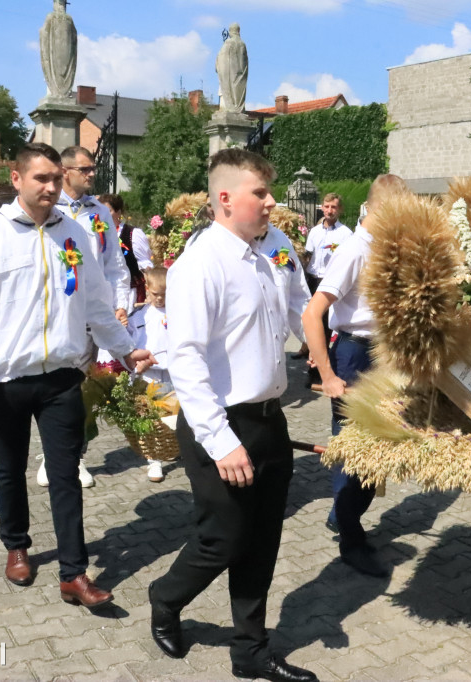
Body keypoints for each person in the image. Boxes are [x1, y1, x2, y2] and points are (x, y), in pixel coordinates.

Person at [0, 142, 155, 610]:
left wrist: (125, 349)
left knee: (65, 475)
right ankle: (16, 545)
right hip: (7, 378)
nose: (52, 187)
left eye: (56, 178)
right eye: (42, 179)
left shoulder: (72, 232)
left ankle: (74, 573)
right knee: (10, 468)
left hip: (61, 377)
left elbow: (96, 303)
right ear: (16, 180)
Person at [148, 148, 317, 682]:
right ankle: (166, 596)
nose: (272, 203)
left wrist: (327, 362)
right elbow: (187, 360)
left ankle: (250, 650)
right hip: (217, 423)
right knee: (223, 537)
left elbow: (301, 310)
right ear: (225, 199)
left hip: (271, 419)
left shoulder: (277, 248)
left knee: (262, 538)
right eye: (260, 194)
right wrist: (221, 442)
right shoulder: (202, 263)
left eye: (270, 192)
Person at [300, 174, 409, 579]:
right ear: (375, 210)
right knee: (356, 451)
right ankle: (350, 538)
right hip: (353, 354)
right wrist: (327, 372)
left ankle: (342, 515)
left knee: (378, 449)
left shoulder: (386, 248)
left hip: (382, 355)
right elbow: (312, 312)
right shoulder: (353, 251)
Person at [36, 146, 133, 489]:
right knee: (51, 388)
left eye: (93, 169)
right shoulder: (47, 208)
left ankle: (75, 456)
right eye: (86, 169)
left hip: (91, 316)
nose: (92, 174)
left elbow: (114, 265)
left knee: (81, 390)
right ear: (65, 171)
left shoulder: (99, 212)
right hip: (55, 314)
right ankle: (50, 454)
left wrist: (120, 304)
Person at [293, 194, 352, 362]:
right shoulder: (314, 232)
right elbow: (308, 256)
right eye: (327, 206)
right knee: (308, 319)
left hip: (328, 281)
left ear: (339, 209)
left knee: (323, 325)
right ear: (322, 207)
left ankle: (320, 366)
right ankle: (307, 348)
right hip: (312, 279)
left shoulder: (345, 234)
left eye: (333, 207)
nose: (329, 210)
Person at [131, 267, 172, 483]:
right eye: (156, 294)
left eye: (165, 295)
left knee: (175, 416)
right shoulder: (139, 316)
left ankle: (177, 446)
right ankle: (154, 459)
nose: (160, 299)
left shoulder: (178, 312)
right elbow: (131, 345)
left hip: (174, 373)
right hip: (150, 374)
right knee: (151, 417)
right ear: (147, 289)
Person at [97, 192, 147, 305]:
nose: (102, 215)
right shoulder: (96, 234)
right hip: (103, 292)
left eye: (108, 211)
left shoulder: (132, 234)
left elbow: (145, 264)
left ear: (118, 212)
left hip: (129, 292)